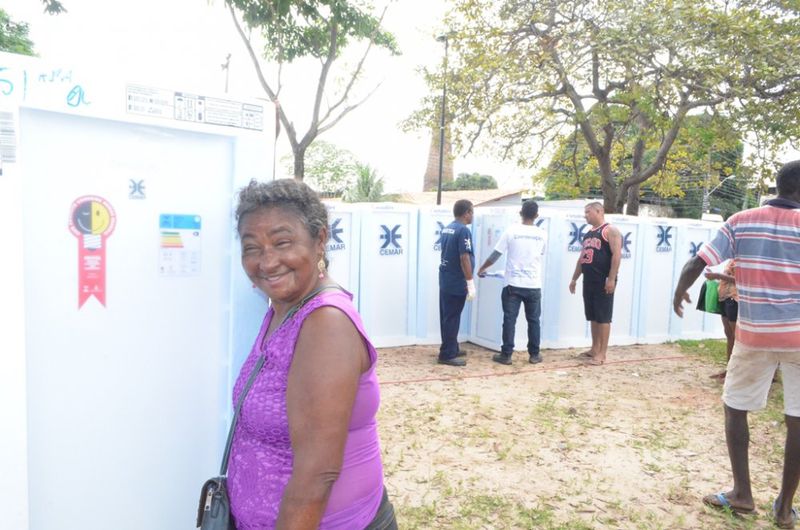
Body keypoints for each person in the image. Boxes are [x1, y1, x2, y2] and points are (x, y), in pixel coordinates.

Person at [227, 179, 397, 529]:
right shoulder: (282, 308)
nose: (267, 261)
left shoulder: (326, 323)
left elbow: (317, 474)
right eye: (252, 248)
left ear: (319, 240)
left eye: (282, 242)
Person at [673, 160, 800, 529]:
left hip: (755, 334)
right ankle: (784, 508)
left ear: (779, 186)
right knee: (797, 420)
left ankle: (743, 494)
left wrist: (681, 289)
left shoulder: (741, 219)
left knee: (735, 407)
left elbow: (699, 261)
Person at [477, 200, 548, 365]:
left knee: (509, 320)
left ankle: (506, 355)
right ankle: (534, 354)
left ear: (520, 213)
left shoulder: (511, 231)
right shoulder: (543, 234)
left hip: (513, 284)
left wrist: (482, 268)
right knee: (534, 320)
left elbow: (496, 254)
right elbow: (541, 253)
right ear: (537, 215)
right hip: (533, 285)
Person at [568, 202, 622, 366]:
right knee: (593, 316)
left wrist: (611, 278)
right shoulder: (588, 234)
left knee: (603, 317)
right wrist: (574, 278)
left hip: (603, 280)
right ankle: (594, 348)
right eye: (585, 212)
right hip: (589, 280)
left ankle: (602, 354)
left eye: (588, 212)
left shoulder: (610, 230)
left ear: (599, 211)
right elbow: (582, 258)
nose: (585, 215)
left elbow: (616, 255)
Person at [438, 199, 476, 367]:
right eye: (472, 212)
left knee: (447, 316)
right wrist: (470, 282)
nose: (472, 216)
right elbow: (464, 256)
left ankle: (451, 346)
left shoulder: (448, 228)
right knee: (452, 318)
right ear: (466, 212)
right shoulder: (463, 231)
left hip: (446, 279)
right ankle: (447, 354)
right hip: (456, 281)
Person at [705, 259, 738, 380]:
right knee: (729, 335)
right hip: (725, 298)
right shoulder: (732, 260)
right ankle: (729, 369)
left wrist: (717, 275)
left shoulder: (744, 259)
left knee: (736, 337)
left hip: (735, 299)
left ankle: (735, 372)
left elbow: (742, 280)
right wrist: (716, 277)